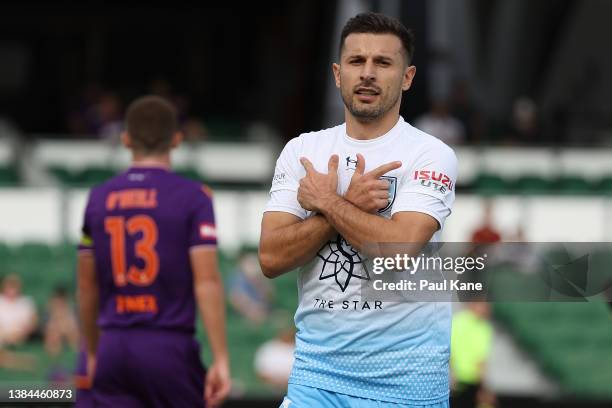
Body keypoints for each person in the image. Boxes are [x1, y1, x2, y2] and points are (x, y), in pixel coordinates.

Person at [259, 12, 457, 408]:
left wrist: (330, 202)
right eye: (356, 61)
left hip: (406, 383)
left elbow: (398, 252)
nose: (367, 73)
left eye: (383, 63)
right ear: (337, 73)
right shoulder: (303, 151)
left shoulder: (430, 153)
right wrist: (347, 205)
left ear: (407, 77)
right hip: (314, 377)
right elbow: (271, 256)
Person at [77, 95, 231, 407]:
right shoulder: (194, 197)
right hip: (168, 347)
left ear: (125, 139)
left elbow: (87, 286)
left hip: (113, 346)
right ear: (176, 139)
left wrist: (92, 352)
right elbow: (207, 282)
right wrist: (221, 359)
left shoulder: (98, 198)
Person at [0, 274, 38, 345]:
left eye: (14, 287)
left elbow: (33, 322)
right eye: (9, 286)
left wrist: (22, 333)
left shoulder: (27, 302)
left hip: (22, 337)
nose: (11, 290)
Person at [44, 286, 79, 356]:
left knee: (74, 335)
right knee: (53, 334)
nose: (59, 302)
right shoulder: (51, 307)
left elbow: (72, 323)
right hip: (55, 329)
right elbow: (49, 324)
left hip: (69, 328)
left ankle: (77, 352)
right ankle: (54, 353)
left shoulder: (70, 307)